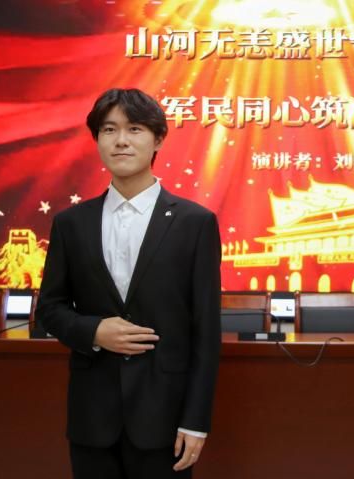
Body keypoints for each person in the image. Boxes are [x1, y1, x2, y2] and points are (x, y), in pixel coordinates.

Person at [36, 88, 222, 478]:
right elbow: (50, 309)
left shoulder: (195, 223)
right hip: (92, 418)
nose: (121, 140)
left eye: (134, 129)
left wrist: (196, 421)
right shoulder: (71, 223)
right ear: (97, 140)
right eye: (109, 129)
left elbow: (206, 330)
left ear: (158, 139)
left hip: (165, 418)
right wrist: (93, 331)